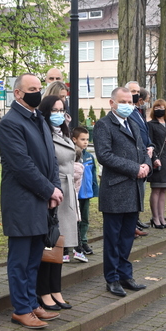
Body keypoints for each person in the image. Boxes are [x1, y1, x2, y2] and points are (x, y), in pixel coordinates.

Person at [0, 73, 63, 329]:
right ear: (18, 93)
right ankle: (21, 309)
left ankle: (32, 302)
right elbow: (22, 166)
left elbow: (51, 159)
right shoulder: (11, 123)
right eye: (31, 88)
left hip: (42, 199)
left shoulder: (39, 119)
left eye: (39, 88)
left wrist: (54, 188)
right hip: (22, 200)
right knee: (20, 258)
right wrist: (48, 190)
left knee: (35, 257)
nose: (37, 92)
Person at [94, 87, 151, 297]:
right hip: (115, 190)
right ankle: (112, 278)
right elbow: (105, 156)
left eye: (130, 101)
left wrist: (146, 166)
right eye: (123, 101)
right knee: (113, 238)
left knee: (127, 237)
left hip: (134, 190)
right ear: (112, 103)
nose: (128, 105)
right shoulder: (103, 125)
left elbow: (143, 150)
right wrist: (134, 168)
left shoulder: (134, 124)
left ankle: (126, 275)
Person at [36, 96, 80, 311]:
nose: (58, 113)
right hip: (53, 192)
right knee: (49, 244)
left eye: (61, 110)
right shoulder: (43, 133)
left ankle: (56, 289)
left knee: (59, 244)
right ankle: (44, 291)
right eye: (54, 109)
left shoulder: (63, 132)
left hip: (67, 193)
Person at [124, 81, 153, 236]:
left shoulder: (138, 111)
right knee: (133, 192)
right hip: (132, 159)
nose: (136, 94)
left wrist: (151, 146)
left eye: (136, 91)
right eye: (132, 91)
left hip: (143, 155)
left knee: (140, 191)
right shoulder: (127, 112)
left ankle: (136, 220)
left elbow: (144, 133)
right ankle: (132, 224)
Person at [146, 99, 166, 228]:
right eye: (157, 107)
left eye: (162, 106)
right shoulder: (150, 125)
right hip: (157, 161)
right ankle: (155, 218)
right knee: (156, 189)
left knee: (164, 190)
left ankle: (162, 217)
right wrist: (154, 158)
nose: (160, 109)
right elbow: (149, 143)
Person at [73, 126, 97, 255]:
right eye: (82, 139)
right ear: (74, 139)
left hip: (86, 193)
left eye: (87, 139)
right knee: (75, 220)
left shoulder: (89, 157)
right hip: (75, 194)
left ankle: (84, 241)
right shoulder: (72, 155)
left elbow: (93, 175)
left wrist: (94, 190)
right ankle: (74, 243)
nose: (85, 142)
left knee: (85, 219)